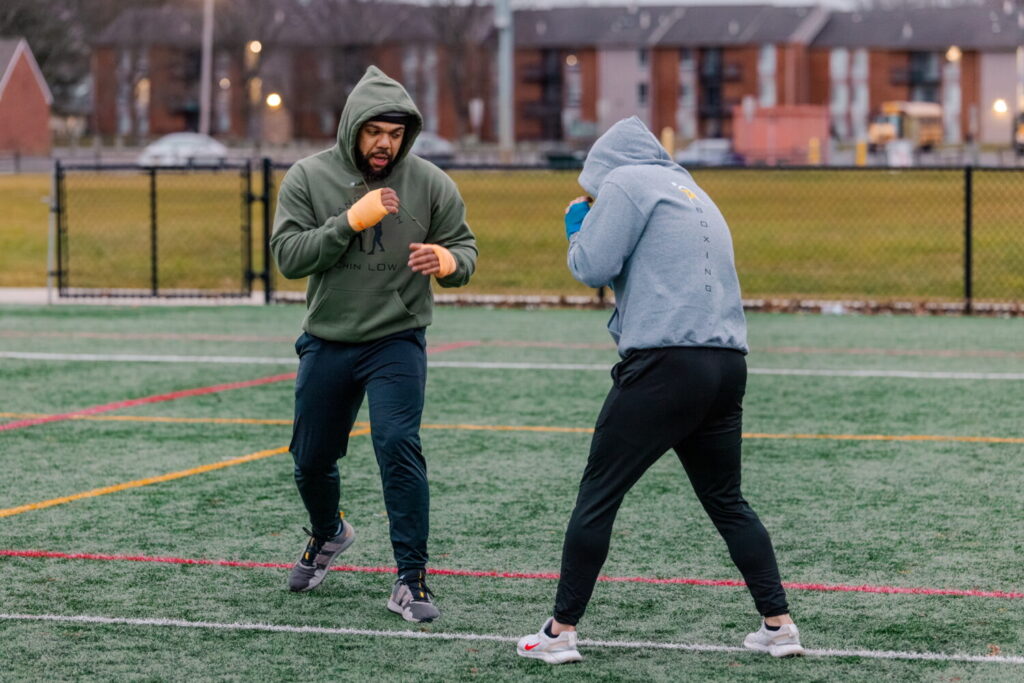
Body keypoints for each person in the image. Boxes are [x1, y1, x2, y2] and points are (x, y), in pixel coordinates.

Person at [516, 117, 803, 663]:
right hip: (726, 364)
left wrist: (578, 223)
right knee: (727, 501)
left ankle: (559, 633)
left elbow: (591, 266)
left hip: (666, 366)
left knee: (598, 495)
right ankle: (778, 623)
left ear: (602, 170)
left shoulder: (624, 183)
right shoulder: (693, 189)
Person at [270, 66, 477, 624]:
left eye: (395, 132)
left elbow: (465, 247)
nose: (385, 143)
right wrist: (348, 223)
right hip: (328, 339)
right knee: (311, 460)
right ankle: (328, 532)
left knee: (397, 446)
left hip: (397, 339)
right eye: (374, 131)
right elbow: (288, 257)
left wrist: (450, 261)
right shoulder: (308, 177)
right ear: (352, 129)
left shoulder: (431, 182)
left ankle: (412, 580)